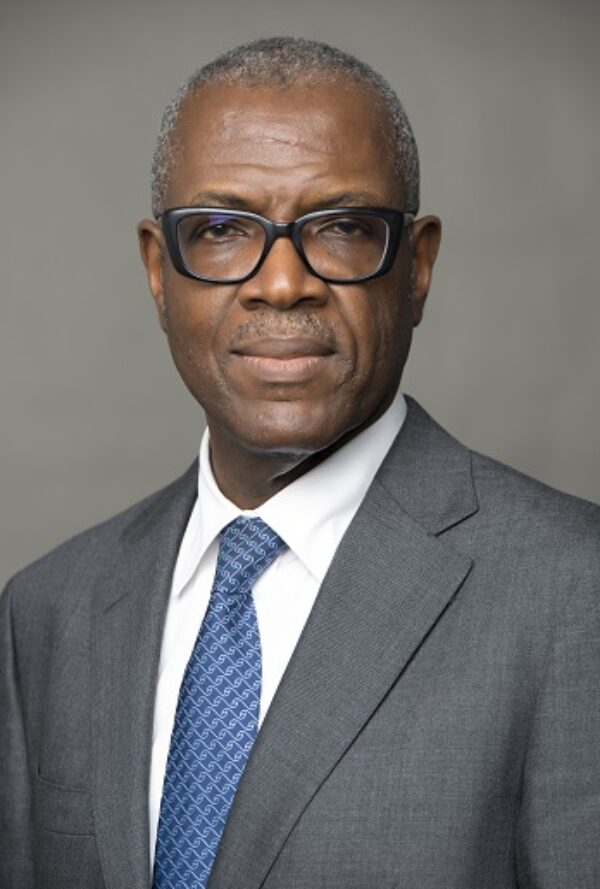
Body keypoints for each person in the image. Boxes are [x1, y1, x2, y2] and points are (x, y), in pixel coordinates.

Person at [1, 36, 599, 889]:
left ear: (418, 266)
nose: (282, 284)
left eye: (343, 228)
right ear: (159, 271)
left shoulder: (574, 593)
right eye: (220, 229)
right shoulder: (47, 612)